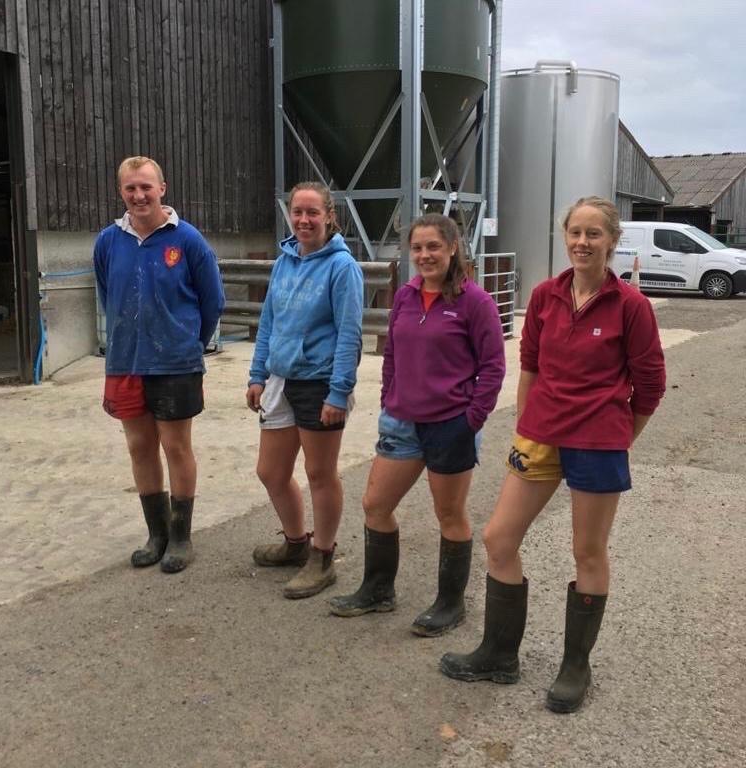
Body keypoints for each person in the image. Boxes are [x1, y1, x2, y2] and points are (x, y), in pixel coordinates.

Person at [439, 197, 666, 713]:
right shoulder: (545, 296)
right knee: (499, 538)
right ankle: (499, 653)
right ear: (564, 237)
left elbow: (650, 384)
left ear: (611, 241)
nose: (583, 243)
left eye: (594, 234)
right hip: (541, 434)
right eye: (575, 233)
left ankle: (575, 665)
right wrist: (525, 421)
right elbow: (532, 364)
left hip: (598, 440)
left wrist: (621, 436)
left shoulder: (630, 306)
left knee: (587, 552)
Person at [329, 213, 506, 637]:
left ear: (451, 249)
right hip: (402, 422)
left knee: (449, 513)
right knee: (375, 505)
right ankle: (377, 590)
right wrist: (391, 396)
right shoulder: (406, 297)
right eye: (418, 248)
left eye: (433, 247)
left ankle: (450, 603)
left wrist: (472, 419)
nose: (425, 255)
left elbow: (494, 367)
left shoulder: (475, 302)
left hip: (451, 424)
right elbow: (391, 354)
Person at [94, 156, 225, 574]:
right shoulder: (107, 242)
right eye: (131, 188)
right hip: (125, 362)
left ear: (162, 189)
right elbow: (107, 293)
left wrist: (190, 344)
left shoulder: (187, 240)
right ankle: (157, 534)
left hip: (175, 361)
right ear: (121, 193)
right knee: (139, 447)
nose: (139, 195)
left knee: (176, 446)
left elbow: (213, 302)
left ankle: (181, 538)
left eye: (146, 187)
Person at [246, 182, 364, 599]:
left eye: (313, 212)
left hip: (320, 381)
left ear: (330, 216)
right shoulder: (285, 261)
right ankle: (296, 543)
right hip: (281, 378)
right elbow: (269, 321)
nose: (304, 220)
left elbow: (350, 334)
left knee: (319, 473)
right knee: (271, 472)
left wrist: (339, 392)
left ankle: (323, 557)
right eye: (297, 212)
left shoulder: (342, 267)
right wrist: (257, 373)